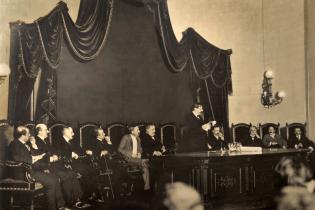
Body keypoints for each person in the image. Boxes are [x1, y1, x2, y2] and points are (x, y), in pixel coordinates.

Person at [8, 126, 69, 210]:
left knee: (54, 178)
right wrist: (33, 158)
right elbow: (16, 158)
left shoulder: (24, 144)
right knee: (51, 181)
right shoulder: (14, 144)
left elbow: (33, 156)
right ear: (23, 135)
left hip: (32, 170)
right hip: (23, 173)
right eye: (28, 134)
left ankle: (61, 206)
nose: (30, 135)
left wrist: (35, 149)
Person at [33, 124, 89, 208]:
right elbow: (37, 156)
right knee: (66, 175)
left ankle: (77, 199)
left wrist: (55, 156)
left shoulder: (45, 141)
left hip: (54, 165)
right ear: (39, 131)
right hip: (47, 167)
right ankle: (70, 201)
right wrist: (50, 157)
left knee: (71, 173)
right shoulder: (35, 141)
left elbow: (54, 152)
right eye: (45, 130)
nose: (48, 131)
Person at [55, 126, 103, 202]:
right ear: (65, 132)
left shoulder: (73, 141)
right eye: (71, 132)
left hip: (77, 163)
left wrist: (87, 151)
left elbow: (81, 151)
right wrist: (71, 154)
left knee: (91, 170)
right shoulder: (59, 142)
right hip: (67, 165)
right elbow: (59, 154)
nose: (73, 134)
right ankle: (88, 195)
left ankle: (92, 194)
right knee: (85, 172)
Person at [118, 125, 150, 190]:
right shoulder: (126, 137)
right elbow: (120, 149)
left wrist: (139, 153)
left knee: (146, 164)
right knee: (145, 162)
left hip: (137, 159)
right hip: (128, 159)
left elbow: (140, 149)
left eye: (139, 129)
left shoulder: (138, 138)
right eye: (137, 130)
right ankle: (147, 187)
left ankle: (147, 186)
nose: (139, 131)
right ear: (132, 131)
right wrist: (131, 154)